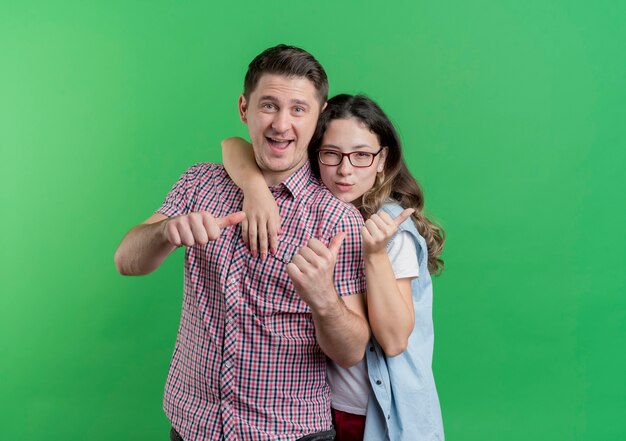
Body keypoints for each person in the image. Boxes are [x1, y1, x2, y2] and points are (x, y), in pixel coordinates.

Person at [114, 45, 371, 441]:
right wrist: (166, 233)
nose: (281, 124)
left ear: (318, 117)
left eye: (298, 109)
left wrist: (324, 299)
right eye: (268, 105)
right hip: (193, 425)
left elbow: (352, 350)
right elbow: (126, 260)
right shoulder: (199, 183)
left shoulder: (337, 218)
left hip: (289, 432)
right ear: (243, 108)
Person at [222, 94, 446, 440]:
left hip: (371, 413)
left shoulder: (390, 228)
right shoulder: (319, 210)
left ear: (381, 160)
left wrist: (373, 254)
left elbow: (394, 340)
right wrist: (256, 190)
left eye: (360, 156)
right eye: (332, 154)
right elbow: (232, 145)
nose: (345, 170)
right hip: (316, 409)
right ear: (315, 156)